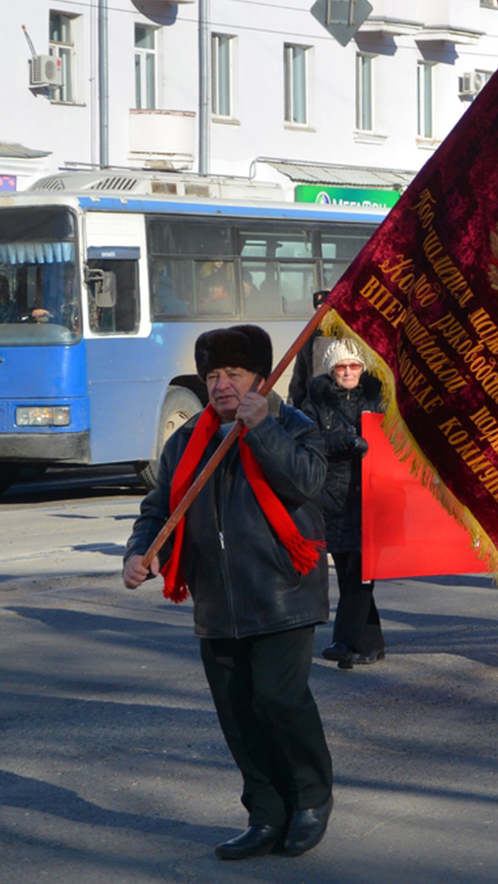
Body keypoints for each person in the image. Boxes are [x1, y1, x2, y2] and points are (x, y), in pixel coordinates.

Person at [122, 325, 335, 859]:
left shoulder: (293, 424)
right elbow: (159, 509)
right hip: (217, 603)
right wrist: (138, 552)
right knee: (238, 715)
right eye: (212, 375)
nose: (220, 385)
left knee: (280, 700)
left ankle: (309, 800)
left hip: (282, 593)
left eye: (233, 375)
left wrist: (262, 430)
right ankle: (265, 815)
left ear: (261, 379)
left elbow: (309, 484)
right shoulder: (186, 439)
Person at [301, 340, 386, 668]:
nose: (348, 371)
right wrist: (341, 441)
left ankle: (345, 641)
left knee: (362, 573)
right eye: (341, 366)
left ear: (363, 368)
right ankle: (372, 643)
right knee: (351, 570)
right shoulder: (315, 403)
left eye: (354, 365)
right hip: (334, 501)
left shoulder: (378, 397)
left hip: (373, 498)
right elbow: (305, 442)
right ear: (331, 370)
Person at [287, 289, 335, 409]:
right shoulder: (308, 338)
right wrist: (291, 410)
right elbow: (299, 380)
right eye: (318, 310)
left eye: (326, 310)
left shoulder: (347, 338)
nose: (321, 315)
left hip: (336, 405)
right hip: (313, 406)